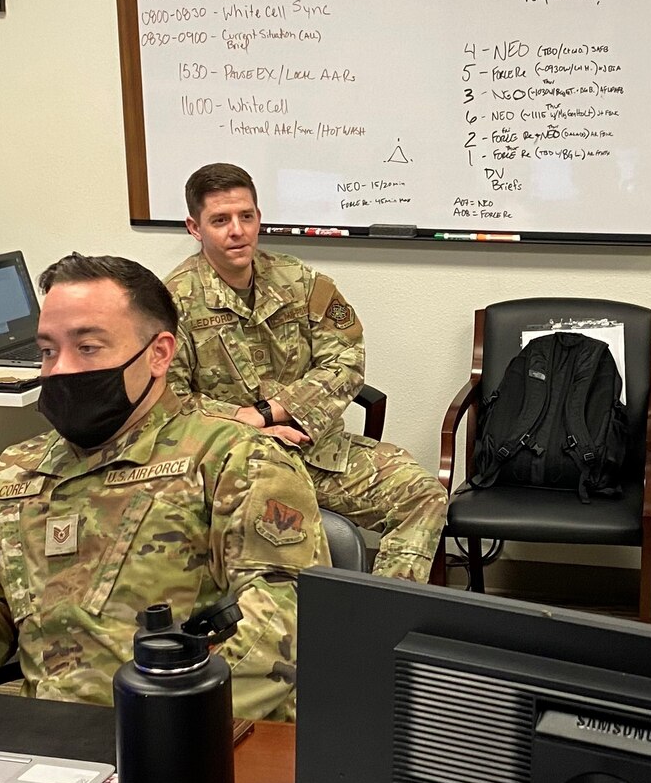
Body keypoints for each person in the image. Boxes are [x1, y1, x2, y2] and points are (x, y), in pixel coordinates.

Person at [0, 254, 329, 722]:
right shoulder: (14, 474)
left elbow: (284, 634)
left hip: (194, 746)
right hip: (50, 745)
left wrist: (149, 730)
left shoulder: (235, 460)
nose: (60, 369)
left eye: (88, 347)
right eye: (47, 351)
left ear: (159, 354)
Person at [164, 162, 447, 583]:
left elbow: (346, 362)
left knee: (423, 493)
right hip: (235, 462)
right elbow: (168, 400)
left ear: (259, 217)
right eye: (220, 220)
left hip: (314, 450)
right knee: (287, 536)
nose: (237, 231)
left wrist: (270, 412)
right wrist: (250, 430)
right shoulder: (172, 302)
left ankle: (381, 618)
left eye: (246, 216)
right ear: (194, 227)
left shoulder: (300, 281)